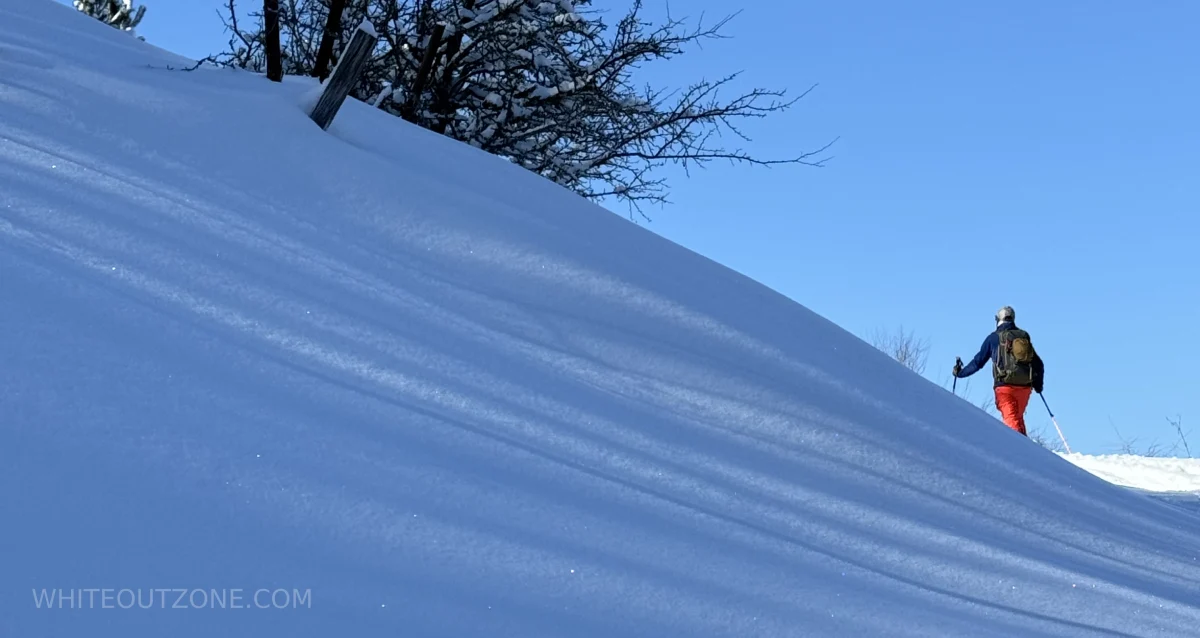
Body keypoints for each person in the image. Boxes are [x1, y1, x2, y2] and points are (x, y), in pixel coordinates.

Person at [952, 306, 1045, 435]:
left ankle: (1018, 450)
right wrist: (1038, 384)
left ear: (998, 319)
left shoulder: (993, 338)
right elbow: (1038, 363)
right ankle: (1027, 449)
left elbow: (978, 362)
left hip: (1004, 386)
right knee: (1017, 418)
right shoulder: (1023, 336)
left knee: (1011, 420)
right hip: (1025, 387)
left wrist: (960, 373)